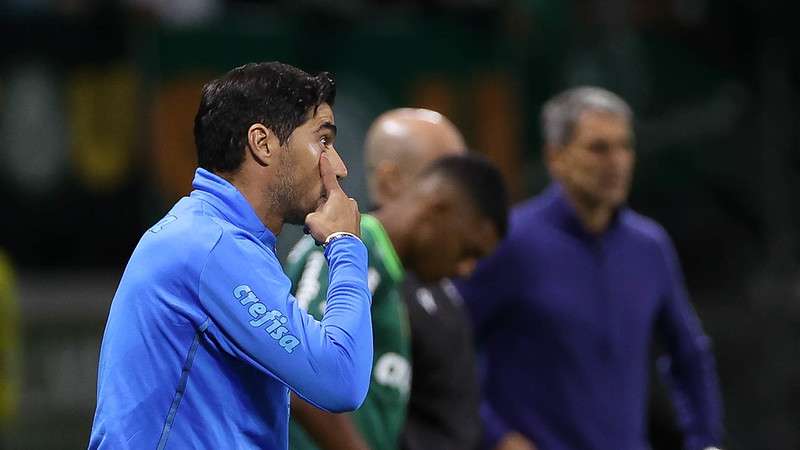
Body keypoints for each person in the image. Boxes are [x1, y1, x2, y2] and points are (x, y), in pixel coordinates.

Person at [89, 62, 374, 449]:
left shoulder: (222, 239)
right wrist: (345, 244)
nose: (338, 167)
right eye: (323, 140)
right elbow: (340, 378)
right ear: (262, 143)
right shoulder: (209, 246)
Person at [457, 86, 724, 450]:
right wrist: (496, 435)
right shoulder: (510, 242)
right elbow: (447, 350)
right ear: (556, 157)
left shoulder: (649, 247)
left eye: (625, 146)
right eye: (599, 148)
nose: (617, 162)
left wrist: (705, 442)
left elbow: (689, 353)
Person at [286, 151, 509, 450]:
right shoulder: (351, 247)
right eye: (468, 250)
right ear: (438, 209)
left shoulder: (389, 276)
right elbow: (302, 364)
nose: (466, 270)